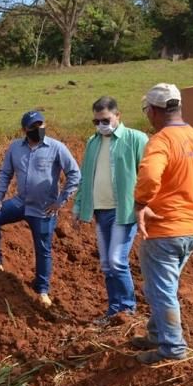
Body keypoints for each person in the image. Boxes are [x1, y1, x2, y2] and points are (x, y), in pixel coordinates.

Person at [131, 83, 193, 364]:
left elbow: (149, 175)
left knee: (160, 290)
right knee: (163, 287)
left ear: (155, 111)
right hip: (190, 229)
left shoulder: (161, 141)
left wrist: (141, 203)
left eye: (147, 110)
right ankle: (156, 334)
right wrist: (191, 201)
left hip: (163, 231)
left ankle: (172, 349)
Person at [0, 110, 81, 308]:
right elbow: (5, 173)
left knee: (43, 250)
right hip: (20, 202)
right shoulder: (15, 148)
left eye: (40, 125)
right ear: (24, 129)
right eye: (33, 126)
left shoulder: (57, 148)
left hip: (44, 209)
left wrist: (61, 201)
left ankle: (42, 290)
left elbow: (74, 174)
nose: (38, 129)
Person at [72, 96, 148, 323]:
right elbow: (85, 177)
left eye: (104, 120)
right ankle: (114, 311)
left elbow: (149, 175)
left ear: (118, 116)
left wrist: (145, 206)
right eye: (96, 121)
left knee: (116, 260)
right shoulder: (92, 143)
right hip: (99, 211)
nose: (100, 125)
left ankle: (127, 310)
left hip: (122, 211)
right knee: (106, 265)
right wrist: (78, 206)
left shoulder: (135, 139)